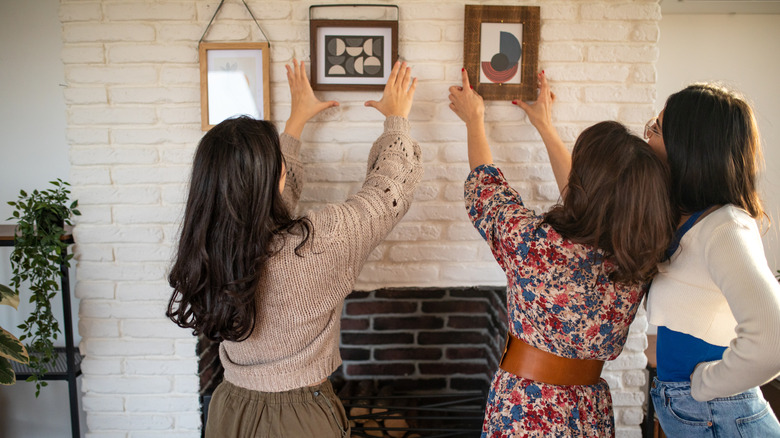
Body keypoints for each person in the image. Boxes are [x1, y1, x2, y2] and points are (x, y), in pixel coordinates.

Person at [166, 60, 421, 437]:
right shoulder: (317, 243)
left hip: (230, 409)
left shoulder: (209, 248)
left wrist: (295, 123)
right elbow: (387, 193)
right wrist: (396, 119)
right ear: (279, 174)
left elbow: (267, 202)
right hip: (301, 420)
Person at [448, 69, 676, 437]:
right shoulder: (641, 259)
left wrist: (474, 119)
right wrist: (544, 125)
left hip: (525, 407)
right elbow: (595, 204)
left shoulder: (534, 246)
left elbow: (486, 186)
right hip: (588, 412)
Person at [645, 83, 780, 437]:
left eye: (656, 129)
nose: (647, 138)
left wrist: (703, 385)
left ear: (689, 148)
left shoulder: (725, 228)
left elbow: (772, 340)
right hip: (702, 412)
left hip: (716, 413)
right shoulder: (695, 222)